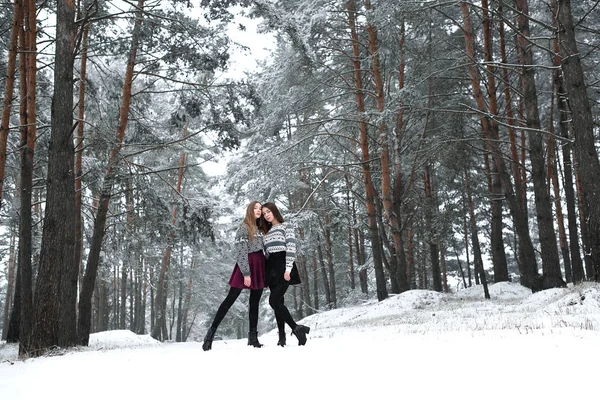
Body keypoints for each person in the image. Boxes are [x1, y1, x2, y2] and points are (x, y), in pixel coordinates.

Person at [202, 201, 266, 351]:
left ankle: (253, 338)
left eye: (260, 208)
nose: (258, 210)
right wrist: (246, 273)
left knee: (254, 303)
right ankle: (210, 335)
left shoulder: (261, 228)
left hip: (259, 265)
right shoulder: (244, 228)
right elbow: (241, 252)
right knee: (230, 300)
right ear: (250, 210)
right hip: (247, 265)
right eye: (255, 208)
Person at [261, 202, 310, 346]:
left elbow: (291, 247)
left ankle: (296, 328)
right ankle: (282, 338)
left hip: (284, 265)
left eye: (268, 211)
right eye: (264, 213)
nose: (266, 215)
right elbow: (266, 254)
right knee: (278, 303)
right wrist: (266, 277)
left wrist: (288, 269)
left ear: (275, 211)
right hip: (271, 269)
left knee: (273, 301)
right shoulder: (266, 232)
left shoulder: (286, 226)